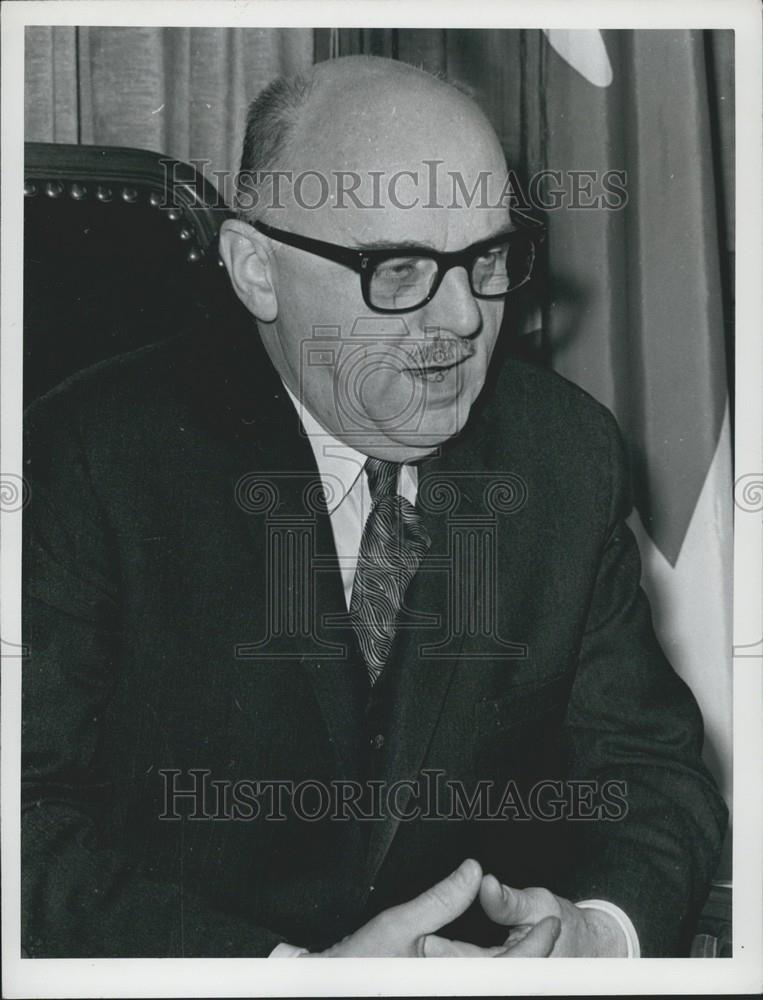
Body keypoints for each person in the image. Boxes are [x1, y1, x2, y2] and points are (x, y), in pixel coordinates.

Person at [22, 55, 727, 960]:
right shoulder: (91, 454)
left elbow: (647, 769)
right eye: (398, 269)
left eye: (487, 260)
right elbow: (23, 818)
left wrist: (602, 934)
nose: (464, 319)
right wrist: (283, 980)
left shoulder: (563, 454)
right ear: (256, 271)